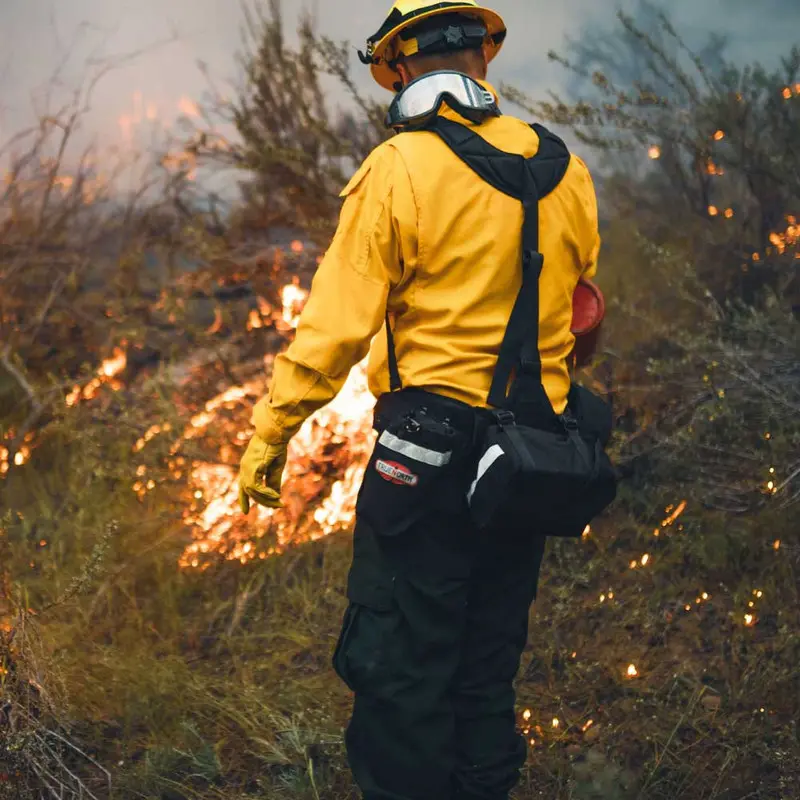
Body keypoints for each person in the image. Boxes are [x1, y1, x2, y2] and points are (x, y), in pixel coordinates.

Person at [238, 2, 602, 797]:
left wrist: (271, 434)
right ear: (482, 58)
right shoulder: (564, 166)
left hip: (427, 454)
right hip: (530, 459)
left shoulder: (398, 168)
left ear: (399, 67)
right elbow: (581, 305)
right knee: (485, 664)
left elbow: (334, 329)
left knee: (401, 667)